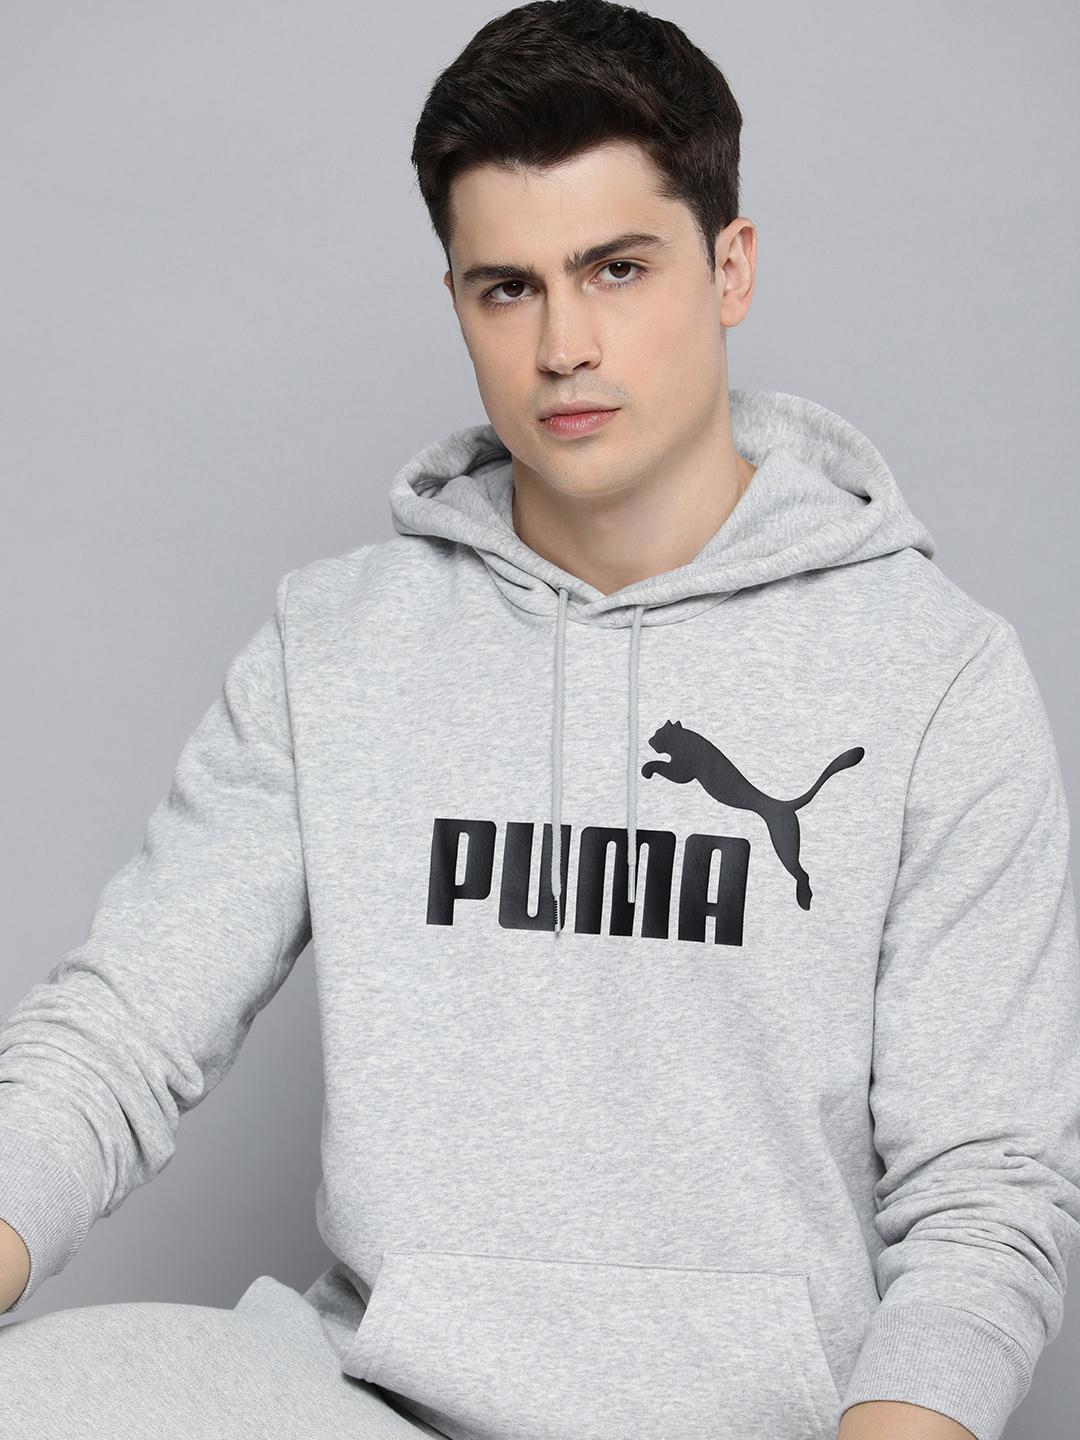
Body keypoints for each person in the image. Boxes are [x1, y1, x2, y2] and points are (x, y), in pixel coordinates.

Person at [2, 2, 1078, 1438]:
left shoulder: (934, 674)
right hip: (368, 1403)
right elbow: (118, 1036)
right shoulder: (339, 644)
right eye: (507, 289)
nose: (565, 344)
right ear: (456, 298)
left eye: (617, 269)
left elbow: (987, 1198)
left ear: (731, 266)